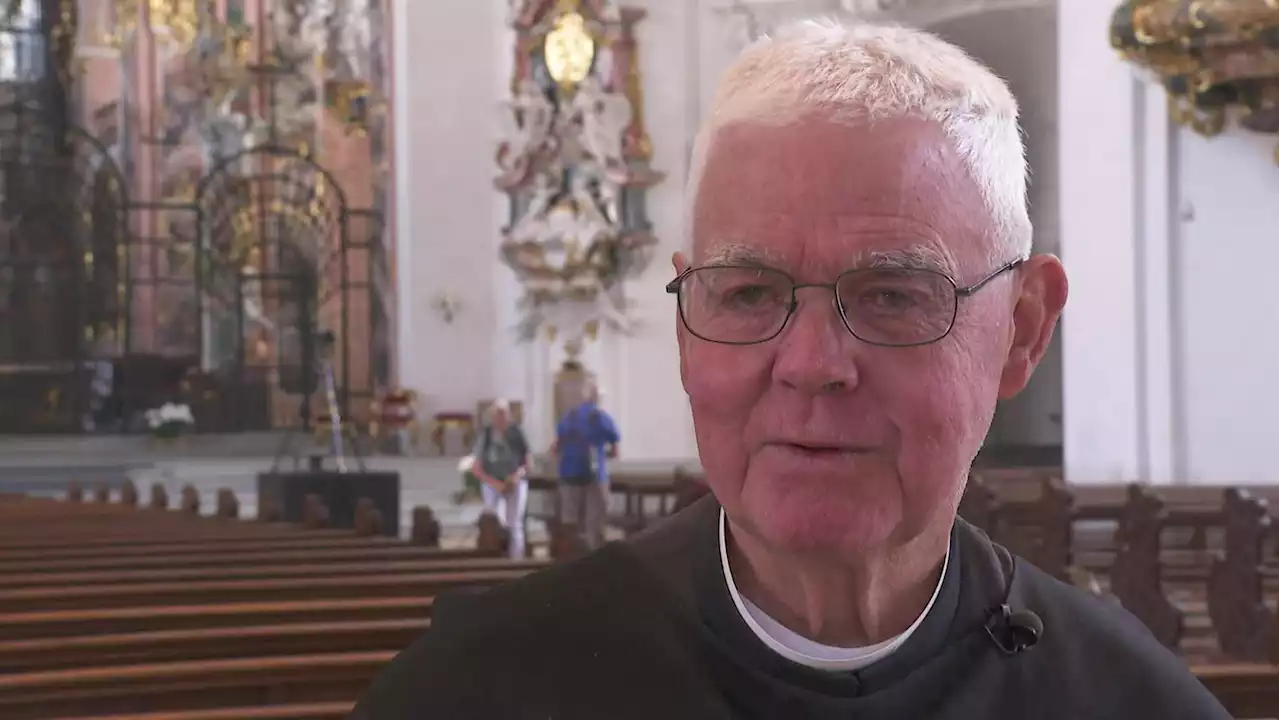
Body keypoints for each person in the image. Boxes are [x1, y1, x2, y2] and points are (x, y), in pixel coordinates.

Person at [350, 19, 1231, 719]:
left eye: (892, 295)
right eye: (746, 294)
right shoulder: (478, 689)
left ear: (1023, 330)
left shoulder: (1128, 701)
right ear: (689, 325)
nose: (811, 367)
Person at [553, 383, 620, 550]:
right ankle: (591, 556)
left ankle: (569, 555)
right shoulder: (601, 417)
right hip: (595, 475)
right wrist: (602, 453)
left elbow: (555, 448)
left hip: (569, 474)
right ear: (599, 399)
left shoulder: (570, 416)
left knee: (570, 520)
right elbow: (615, 450)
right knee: (594, 521)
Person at [469, 399, 530, 559]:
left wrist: (516, 477)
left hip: (515, 483)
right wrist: (494, 483)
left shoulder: (516, 433)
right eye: (498, 414)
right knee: (493, 523)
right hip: (492, 483)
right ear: (492, 416)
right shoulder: (486, 435)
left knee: (515, 524)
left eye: (504, 414)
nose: (501, 418)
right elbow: (476, 467)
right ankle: (495, 558)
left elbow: (528, 462)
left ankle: (516, 559)